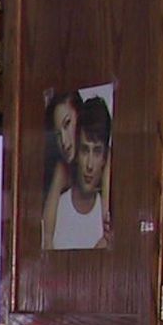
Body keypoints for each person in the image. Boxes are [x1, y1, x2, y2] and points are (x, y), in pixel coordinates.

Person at [44, 94, 111, 249]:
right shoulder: (61, 169)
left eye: (67, 124)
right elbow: (47, 237)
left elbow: (108, 228)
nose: (65, 143)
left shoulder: (107, 159)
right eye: (58, 134)